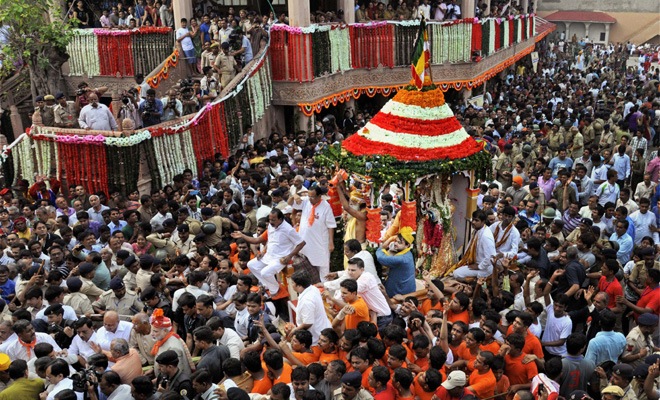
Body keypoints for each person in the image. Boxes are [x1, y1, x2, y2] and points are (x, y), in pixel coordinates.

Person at [231, 209, 305, 299]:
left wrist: (289, 256)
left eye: (273, 220)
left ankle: (275, 289)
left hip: (281, 258)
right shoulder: (271, 226)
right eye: (270, 219)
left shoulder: (288, 229)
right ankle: (267, 285)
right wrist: (262, 251)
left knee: (265, 273)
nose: (271, 222)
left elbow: (301, 243)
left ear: (280, 219)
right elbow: (269, 240)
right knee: (251, 265)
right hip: (269, 255)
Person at [291, 186, 336, 282]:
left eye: (313, 197)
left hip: (320, 243)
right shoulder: (306, 201)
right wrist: (294, 195)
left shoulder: (326, 207)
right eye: (309, 196)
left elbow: (331, 225)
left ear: (320, 196)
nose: (310, 199)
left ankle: (325, 291)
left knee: (323, 268)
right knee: (307, 268)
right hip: (305, 243)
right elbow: (290, 203)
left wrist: (331, 242)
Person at [451, 210, 496, 280]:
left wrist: (478, 266)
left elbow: (491, 257)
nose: (473, 222)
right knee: (455, 267)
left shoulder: (486, 236)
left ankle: (475, 280)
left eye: (476, 220)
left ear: (483, 221)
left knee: (456, 274)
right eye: (473, 219)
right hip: (476, 263)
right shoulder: (478, 230)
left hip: (484, 268)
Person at [376, 227, 416, 297]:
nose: (395, 244)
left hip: (400, 292)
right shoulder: (408, 253)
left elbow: (381, 258)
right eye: (395, 241)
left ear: (407, 245)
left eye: (399, 243)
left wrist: (382, 247)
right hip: (406, 288)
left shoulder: (402, 259)